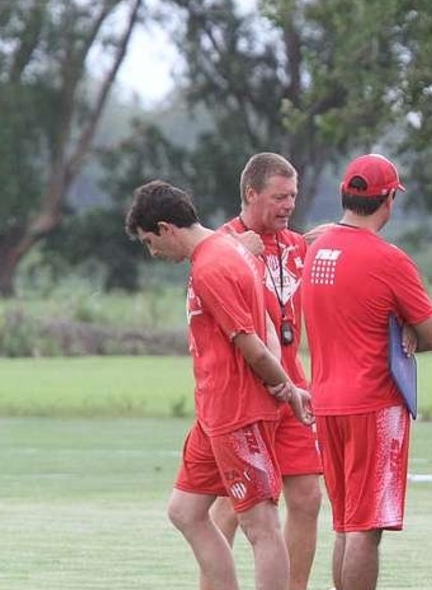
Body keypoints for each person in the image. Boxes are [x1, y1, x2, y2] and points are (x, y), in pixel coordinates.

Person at [125, 180, 312, 590]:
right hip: (213, 414)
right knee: (185, 511)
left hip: (237, 414)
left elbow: (253, 345)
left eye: (149, 242)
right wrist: (284, 383)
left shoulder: (213, 266)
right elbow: (265, 323)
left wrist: (286, 388)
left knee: (261, 525)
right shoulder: (232, 249)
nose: (152, 252)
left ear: (166, 228)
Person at [301, 153, 432, 590]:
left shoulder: (316, 249)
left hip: (326, 403)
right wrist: (408, 329)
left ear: (344, 194)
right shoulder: (389, 259)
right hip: (374, 404)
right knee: (367, 528)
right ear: (389, 201)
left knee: (345, 525)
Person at [208, 152, 322, 590]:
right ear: (251, 193)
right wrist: (242, 254)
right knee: (234, 506)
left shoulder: (295, 245)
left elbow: (333, 243)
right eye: (279, 197)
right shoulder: (223, 246)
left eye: (293, 196)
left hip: (294, 392)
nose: (289, 204)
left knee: (308, 497)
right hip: (246, 396)